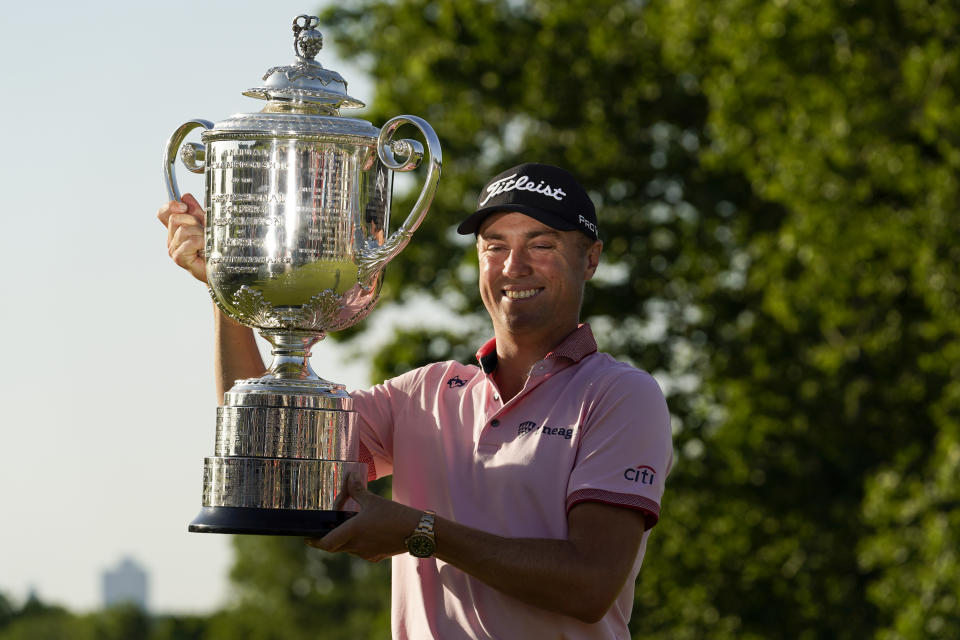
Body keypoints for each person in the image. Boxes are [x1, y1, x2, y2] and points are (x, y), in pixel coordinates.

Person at [158, 162, 673, 639]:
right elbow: (265, 454)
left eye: (542, 244)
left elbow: (590, 585)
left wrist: (419, 531)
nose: (515, 266)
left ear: (591, 259)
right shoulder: (425, 393)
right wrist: (226, 290)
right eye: (495, 246)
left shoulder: (619, 395)